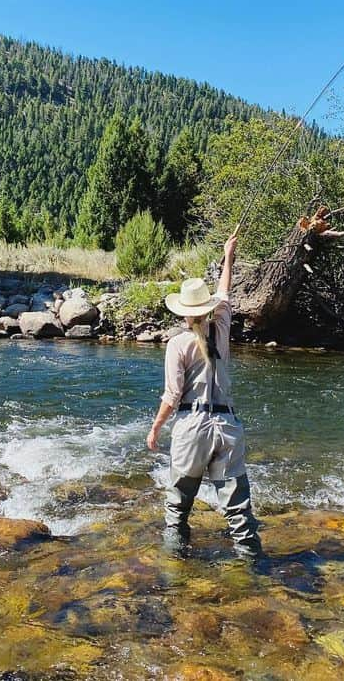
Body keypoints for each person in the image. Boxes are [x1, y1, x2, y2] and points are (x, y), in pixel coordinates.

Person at [146, 231, 261, 558]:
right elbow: (224, 290)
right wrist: (229, 254)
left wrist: (155, 428)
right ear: (207, 308)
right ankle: (253, 571)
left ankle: (174, 570)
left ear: (183, 311)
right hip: (227, 428)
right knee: (239, 512)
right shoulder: (221, 327)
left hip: (192, 429)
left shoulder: (177, 344)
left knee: (178, 510)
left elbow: (172, 396)